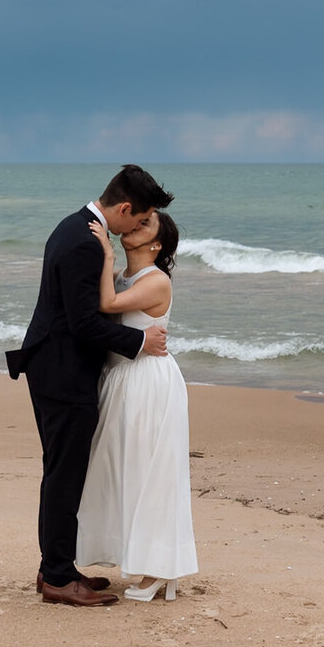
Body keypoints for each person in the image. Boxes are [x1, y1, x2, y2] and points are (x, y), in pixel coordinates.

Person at [5, 166, 175, 607]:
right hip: (63, 373)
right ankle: (58, 577)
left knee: (61, 471)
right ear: (123, 208)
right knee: (64, 475)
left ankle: (55, 567)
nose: (135, 228)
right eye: (137, 220)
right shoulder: (84, 240)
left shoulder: (75, 228)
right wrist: (140, 340)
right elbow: (83, 323)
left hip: (54, 367)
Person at [76, 210, 198, 599]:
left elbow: (108, 304)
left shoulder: (157, 281)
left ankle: (161, 569)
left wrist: (106, 255)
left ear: (157, 245)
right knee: (123, 470)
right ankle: (147, 561)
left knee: (152, 473)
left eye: (147, 225)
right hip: (121, 379)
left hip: (148, 382)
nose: (136, 225)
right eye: (139, 219)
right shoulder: (125, 278)